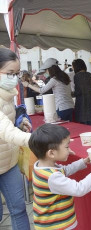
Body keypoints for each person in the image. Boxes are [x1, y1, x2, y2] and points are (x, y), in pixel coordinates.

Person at [29, 123, 91, 230]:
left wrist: (84, 161)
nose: (69, 149)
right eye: (67, 147)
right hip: (55, 226)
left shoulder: (41, 167)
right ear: (51, 153)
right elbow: (79, 189)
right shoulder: (52, 177)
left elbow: (65, 170)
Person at [0, 47, 32, 230]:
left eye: (17, 73)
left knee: (19, 209)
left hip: (8, 162)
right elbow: (6, 131)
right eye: (10, 73)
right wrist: (36, 140)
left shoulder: (7, 94)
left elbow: (7, 125)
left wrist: (20, 124)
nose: (14, 78)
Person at [72, 59, 91, 125]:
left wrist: (72, 94)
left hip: (81, 104)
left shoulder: (76, 76)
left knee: (83, 126)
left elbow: (78, 91)